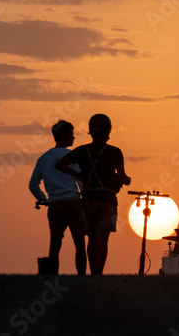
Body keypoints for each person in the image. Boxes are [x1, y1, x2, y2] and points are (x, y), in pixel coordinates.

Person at [55, 113, 131, 274]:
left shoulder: (82, 151)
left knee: (91, 238)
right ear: (108, 130)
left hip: (87, 199)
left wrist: (78, 176)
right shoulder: (115, 152)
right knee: (103, 239)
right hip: (107, 200)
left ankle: (91, 272)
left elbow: (60, 164)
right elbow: (123, 178)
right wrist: (127, 180)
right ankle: (98, 272)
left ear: (91, 131)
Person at [29, 120, 87, 275]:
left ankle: (51, 277)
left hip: (54, 205)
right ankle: (82, 278)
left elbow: (33, 185)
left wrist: (46, 200)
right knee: (79, 243)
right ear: (63, 136)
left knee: (54, 243)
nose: (74, 138)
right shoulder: (71, 155)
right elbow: (80, 180)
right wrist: (83, 198)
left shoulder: (43, 158)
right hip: (73, 203)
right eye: (72, 134)